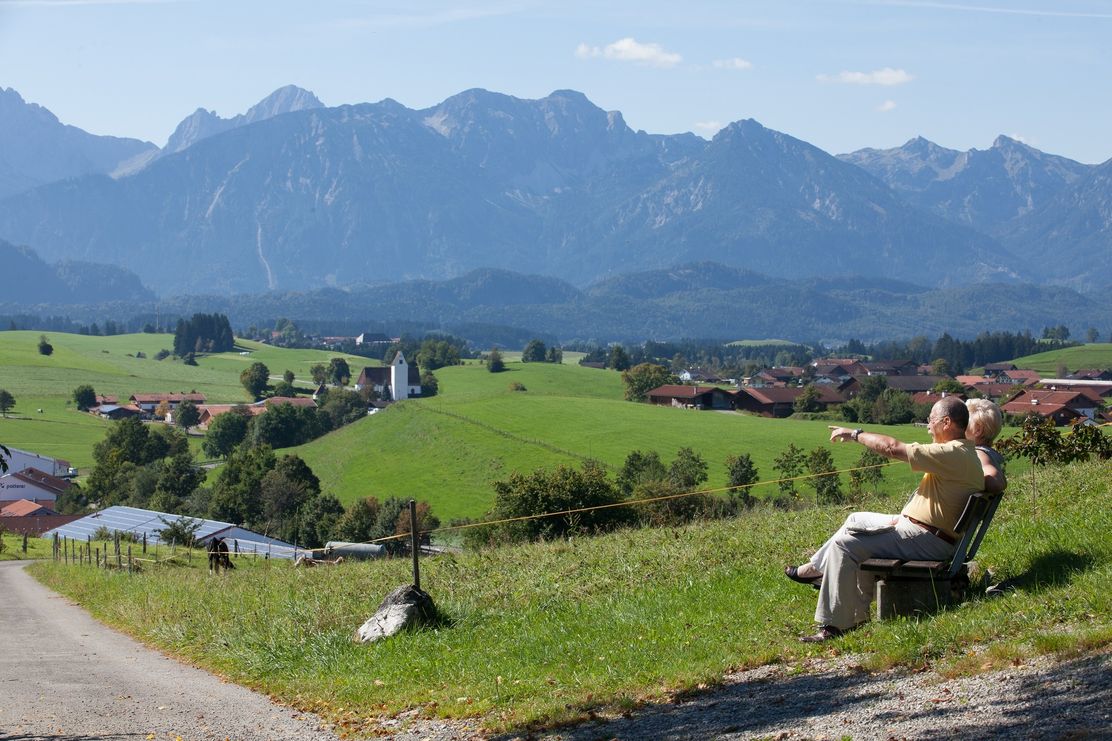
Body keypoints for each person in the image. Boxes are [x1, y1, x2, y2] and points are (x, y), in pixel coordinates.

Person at [785, 396, 985, 642]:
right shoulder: (964, 452)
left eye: (930, 420)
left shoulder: (952, 453)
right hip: (923, 532)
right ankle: (822, 574)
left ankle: (834, 625)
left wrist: (855, 434)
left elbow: (892, 447)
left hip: (925, 539)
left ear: (946, 422)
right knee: (856, 518)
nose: (928, 426)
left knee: (845, 544)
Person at [966, 398, 1006, 494]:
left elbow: (996, 482)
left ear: (978, 430)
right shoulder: (989, 453)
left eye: (963, 424)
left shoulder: (979, 453)